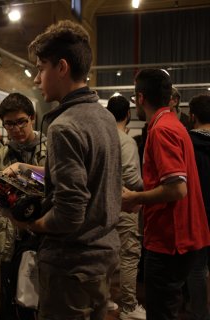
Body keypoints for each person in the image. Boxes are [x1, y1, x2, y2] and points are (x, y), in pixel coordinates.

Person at [23, 20, 122, 319]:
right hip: (104, 257)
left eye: (41, 68)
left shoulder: (65, 126)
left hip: (71, 268)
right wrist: (29, 170)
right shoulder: (103, 117)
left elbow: (69, 214)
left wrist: (30, 224)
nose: (38, 79)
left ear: (62, 67)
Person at [122, 69, 210, 320]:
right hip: (179, 236)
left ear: (140, 98)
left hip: (170, 240)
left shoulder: (161, 129)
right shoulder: (174, 124)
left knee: (162, 311)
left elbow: (176, 188)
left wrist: (136, 198)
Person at [0, 92, 46, 320]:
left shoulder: (51, 148)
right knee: (12, 305)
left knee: (44, 304)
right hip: (11, 240)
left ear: (31, 118)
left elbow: (58, 182)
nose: (16, 128)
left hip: (46, 236)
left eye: (21, 121)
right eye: (9, 123)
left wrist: (23, 169)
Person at [107, 95, 146, 320]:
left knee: (106, 255)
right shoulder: (126, 141)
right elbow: (131, 176)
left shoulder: (101, 137)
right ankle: (129, 307)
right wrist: (149, 187)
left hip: (102, 207)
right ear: (128, 115)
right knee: (129, 254)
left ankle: (105, 299)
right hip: (124, 204)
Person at [186, 93, 210, 320]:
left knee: (197, 268)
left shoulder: (187, 144)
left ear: (192, 115)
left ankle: (200, 313)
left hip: (197, 214)